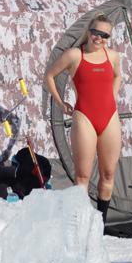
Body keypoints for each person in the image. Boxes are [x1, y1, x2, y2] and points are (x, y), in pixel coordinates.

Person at [45, 13, 121, 223]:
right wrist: (61, 103)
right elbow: (49, 76)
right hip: (84, 118)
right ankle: (80, 222)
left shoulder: (113, 56)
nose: (100, 38)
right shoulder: (74, 55)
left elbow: (117, 76)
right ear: (89, 31)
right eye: (96, 32)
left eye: (105, 35)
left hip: (110, 119)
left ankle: (100, 225)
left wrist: (112, 96)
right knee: (83, 177)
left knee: (108, 174)